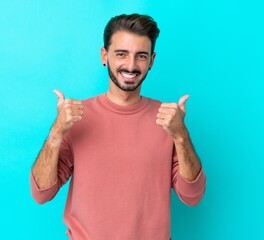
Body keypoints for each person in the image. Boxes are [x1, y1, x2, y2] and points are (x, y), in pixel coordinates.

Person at [30, 13, 206, 240]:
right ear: (105, 56)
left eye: (141, 56)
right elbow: (41, 193)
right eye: (121, 54)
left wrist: (181, 135)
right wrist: (56, 132)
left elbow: (192, 197)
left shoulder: (168, 120)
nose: (131, 66)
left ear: (151, 61)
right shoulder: (76, 117)